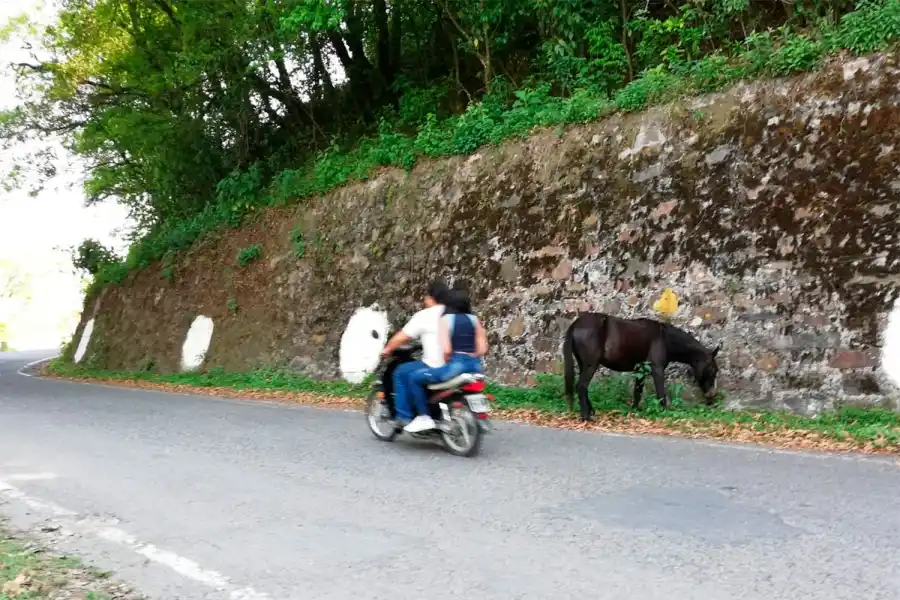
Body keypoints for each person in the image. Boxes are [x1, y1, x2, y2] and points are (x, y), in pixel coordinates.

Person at [380, 279, 450, 433]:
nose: (424, 300)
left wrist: (387, 349)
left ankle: (403, 416)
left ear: (431, 298)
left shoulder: (425, 315)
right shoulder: (455, 313)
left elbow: (401, 337)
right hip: (455, 365)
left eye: (426, 297)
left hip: (434, 366)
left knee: (400, 372)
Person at [406, 286, 488, 417]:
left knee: (414, 377)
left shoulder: (446, 319)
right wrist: (471, 355)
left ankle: (424, 416)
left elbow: (447, 350)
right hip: (475, 367)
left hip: (456, 366)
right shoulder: (475, 320)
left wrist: (448, 361)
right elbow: (483, 349)